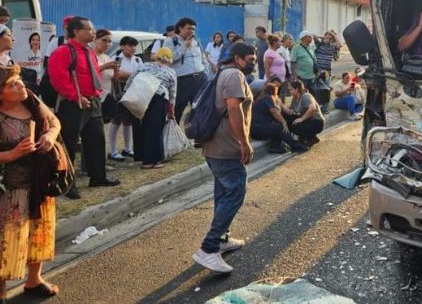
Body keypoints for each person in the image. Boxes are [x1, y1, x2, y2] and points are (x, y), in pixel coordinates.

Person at [0, 65, 61, 303]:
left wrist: (49, 138)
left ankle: (34, 279)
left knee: (37, 232)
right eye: (12, 84)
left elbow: (54, 122)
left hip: (39, 183)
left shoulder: (30, 100)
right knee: (4, 239)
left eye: (19, 79)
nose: (21, 85)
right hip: (9, 188)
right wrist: (11, 155)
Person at [192, 43, 256, 274]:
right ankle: (208, 248)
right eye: (250, 59)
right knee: (236, 192)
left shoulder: (224, 73)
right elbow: (233, 110)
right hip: (225, 146)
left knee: (223, 192)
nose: (253, 63)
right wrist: (243, 141)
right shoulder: (233, 75)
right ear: (238, 58)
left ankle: (221, 239)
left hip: (217, 146)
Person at [48, 16, 120, 199]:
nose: (93, 32)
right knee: (69, 145)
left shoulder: (88, 51)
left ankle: (98, 176)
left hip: (93, 100)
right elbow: (59, 79)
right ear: (76, 31)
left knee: (96, 140)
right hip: (73, 103)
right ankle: (67, 183)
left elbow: (93, 73)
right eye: (88, 29)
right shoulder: (63, 52)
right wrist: (76, 96)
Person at [124, 47, 177, 169]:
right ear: (169, 59)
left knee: (139, 125)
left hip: (139, 95)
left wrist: (127, 93)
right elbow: (173, 92)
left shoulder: (143, 65)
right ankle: (152, 160)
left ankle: (141, 156)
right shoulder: (170, 72)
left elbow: (131, 80)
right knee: (154, 129)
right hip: (158, 98)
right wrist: (171, 110)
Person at [163, 17, 208, 124]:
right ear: (180, 28)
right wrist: (184, 47)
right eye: (189, 28)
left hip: (200, 79)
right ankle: (174, 138)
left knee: (200, 109)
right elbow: (169, 60)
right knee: (177, 110)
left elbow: (202, 58)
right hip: (182, 81)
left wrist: (206, 73)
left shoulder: (196, 40)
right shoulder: (170, 42)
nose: (191, 31)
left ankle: (198, 137)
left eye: (193, 29)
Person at [107, 36, 143, 161]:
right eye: (130, 45)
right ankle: (113, 151)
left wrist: (127, 75)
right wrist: (133, 75)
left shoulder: (138, 60)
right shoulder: (116, 59)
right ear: (122, 46)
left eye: (134, 46)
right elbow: (116, 76)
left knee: (129, 121)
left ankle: (128, 149)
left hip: (133, 92)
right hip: (119, 92)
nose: (133, 48)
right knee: (116, 120)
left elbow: (141, 74)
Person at [250, 83, 307, 154]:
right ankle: (295, 145)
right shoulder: (268, 97)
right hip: (259, 129)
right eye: (276, 92)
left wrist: (279, 103)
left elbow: (281, 112)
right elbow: (274, 111)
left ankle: (275, 146)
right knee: (279, 128)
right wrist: (284, 122)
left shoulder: (261, 98)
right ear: (273, 91)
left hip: (256, 131)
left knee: (277, 127)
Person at [284, 79, 325, 146]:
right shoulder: (295, 98)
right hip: (308, 120)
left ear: (296, 89)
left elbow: (312, 108)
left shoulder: (305, 96)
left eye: (291, 89)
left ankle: (309, 138)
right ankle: (312, 137)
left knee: (295, 126)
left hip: (317, 122)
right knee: (290, 120)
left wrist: (302, 119)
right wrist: (280, 104)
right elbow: (290, 112)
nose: (289, 91)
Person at [92, 29, 120, 125]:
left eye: (109, 41)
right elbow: (87, 73)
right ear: (95, 39)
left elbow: (114, 80)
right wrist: (104, 67)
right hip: (93, 97)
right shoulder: (90, 55)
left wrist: (116, 71)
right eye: (104, 40)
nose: (107, 44)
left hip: (105, 97)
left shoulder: (107, 57)